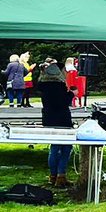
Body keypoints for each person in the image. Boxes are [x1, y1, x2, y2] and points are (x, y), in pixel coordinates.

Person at [36, 60, 74, 188]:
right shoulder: (59, 86)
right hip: (62, 119)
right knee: (66, 148)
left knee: (54, 148)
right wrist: (71, 94)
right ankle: (61, 175)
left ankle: (53, 176)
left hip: (48, 118)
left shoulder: (43, 85)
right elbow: (62, 103)